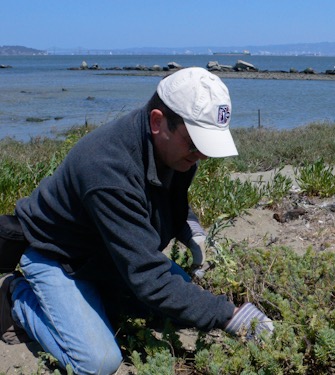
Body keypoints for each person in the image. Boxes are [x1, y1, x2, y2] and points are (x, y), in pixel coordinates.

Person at [0, 67, 273, 375]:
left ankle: (98, 299)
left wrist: (189, 225)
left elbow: (166, 198)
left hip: (104, 249)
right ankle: (16, 299)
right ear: (158, 122)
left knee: (179, 298)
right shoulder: (107, 169)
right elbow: (149, 278)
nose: (202, 155)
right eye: (195, 142)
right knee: (97, 363)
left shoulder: (175, 151)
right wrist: (229, 316)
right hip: (57, 256)